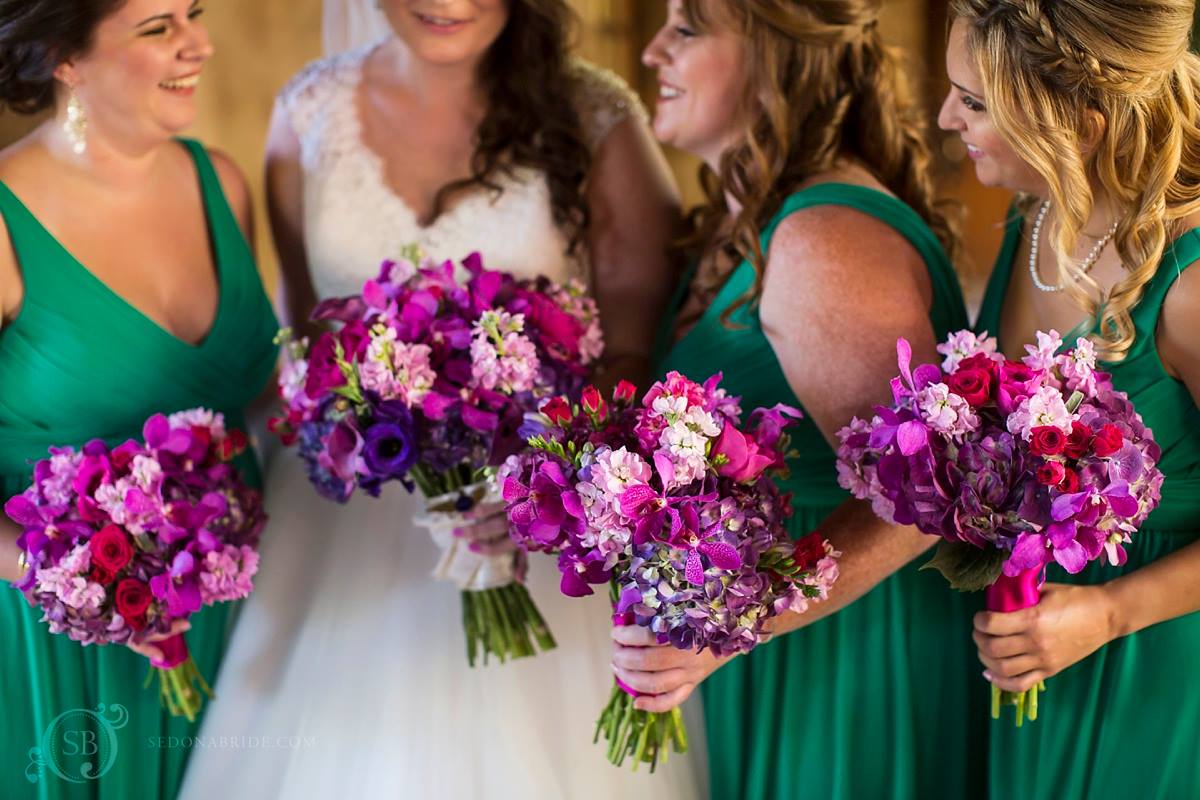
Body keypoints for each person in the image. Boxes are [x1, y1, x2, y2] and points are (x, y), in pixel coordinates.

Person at [180, 1, 703, 797]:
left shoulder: (597, 116)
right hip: (341, 525)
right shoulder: (308, 112)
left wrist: (533, 477)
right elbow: (302, 336)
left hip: (538, 520)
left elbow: (638, 351)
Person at [611, 1, 986, 798]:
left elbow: (920, 499)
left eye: (685, 28)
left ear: (772, 56)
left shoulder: (823, 237)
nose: (651, 53)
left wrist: (732, 625)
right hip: (778, 636)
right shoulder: (749, 216)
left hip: (844, 662)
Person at [0, 1, 279, 797]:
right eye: (158, 27)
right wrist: (79, 584)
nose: (201, 43)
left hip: (230, 611)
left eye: (194, 13)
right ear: (63, 55)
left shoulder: (220, 181)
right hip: (58, 642)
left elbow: (251, 395)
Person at [940, 1, 1200, 796]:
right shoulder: (1037, 211)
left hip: (1151, 666)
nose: (947, 116)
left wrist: (1112, 612)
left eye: (975, 102)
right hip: (1022, 643)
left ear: (1078, 124)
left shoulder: (1189, 285)